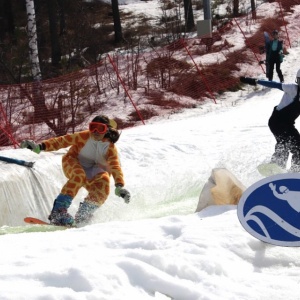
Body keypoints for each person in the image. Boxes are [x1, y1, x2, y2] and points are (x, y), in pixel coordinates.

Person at [20, 115, 131, 226]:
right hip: (72, 161)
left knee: (104, 183)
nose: (96, 132)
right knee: (79, 175)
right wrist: (40, 147)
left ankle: (84, 215)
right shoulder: (84, 136)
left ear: (106, 130)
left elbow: (115, 166)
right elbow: (61, 141)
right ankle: (58, 212)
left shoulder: (110, 148)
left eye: (100, 128)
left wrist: (119, 185)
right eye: (93, 127)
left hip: (93, 169)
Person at [240, 69, 300, 172]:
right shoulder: (293, 89)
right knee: (285, 143)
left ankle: (294, 171)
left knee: (295, 146)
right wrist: (256, 81)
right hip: (277, 121)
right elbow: (275, 84)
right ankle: (277, 167)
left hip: (288, 124)